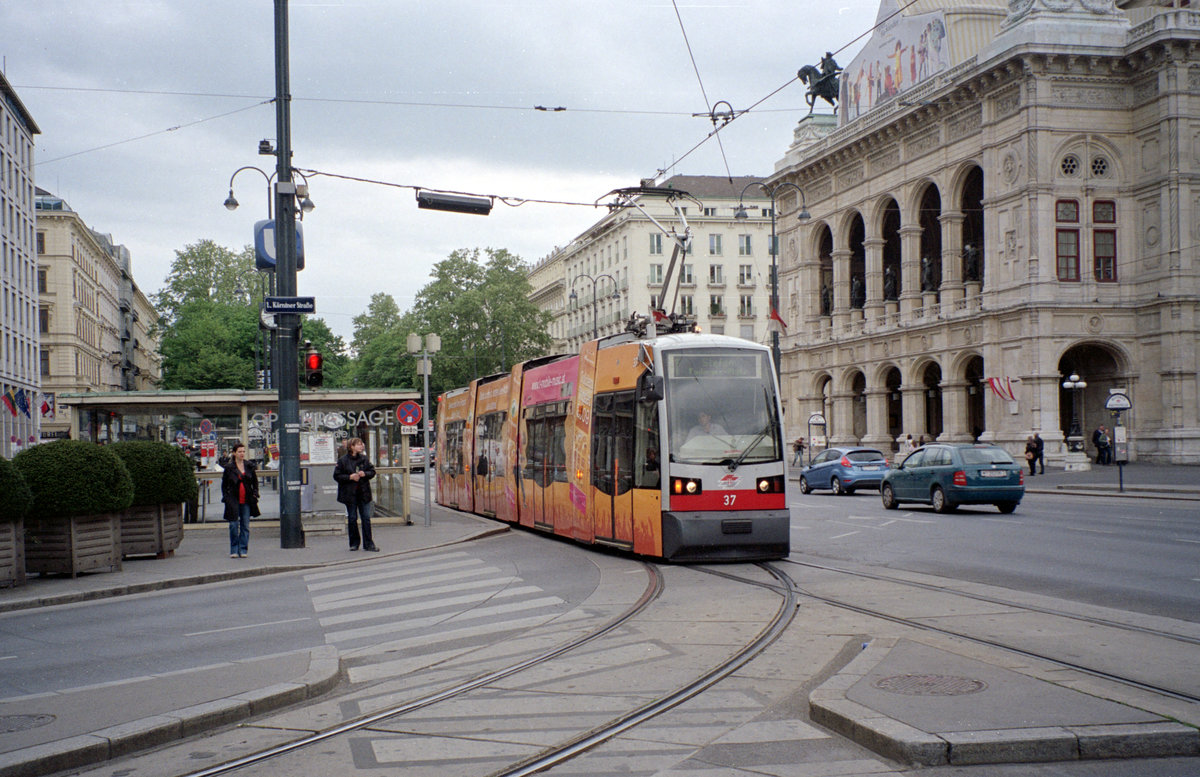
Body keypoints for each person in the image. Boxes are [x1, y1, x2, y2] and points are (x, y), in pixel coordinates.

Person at [334, 436, 379, 551]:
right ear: (352, 446)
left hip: (363, 493)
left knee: (366, 518)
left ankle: (368, 544)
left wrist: (365, 474)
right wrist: (350, 477)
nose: (361, 446)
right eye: (358, 444)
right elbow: (337, 476)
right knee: (352, 518)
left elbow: (372, 471)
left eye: (361, 444)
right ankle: (354, 543)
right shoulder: (343, 460)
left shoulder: (364, 459)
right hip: (350, 494)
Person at [221, 443, 259, 558]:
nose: (242, 453)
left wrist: (255, 493)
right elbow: (224, 485)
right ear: (234, 453)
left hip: (247, 499)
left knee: (245, 525)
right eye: (239, 451)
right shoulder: (229, 468)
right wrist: (226, 497)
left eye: (243, 451)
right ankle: (234, 549)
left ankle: (243, 549)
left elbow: (255, 482)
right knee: (233, 525)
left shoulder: (249, 466)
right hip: (233, 499)